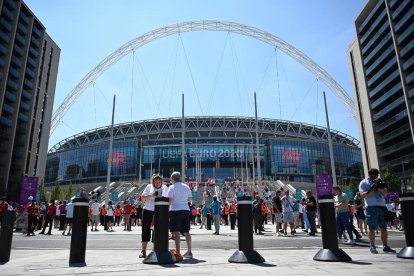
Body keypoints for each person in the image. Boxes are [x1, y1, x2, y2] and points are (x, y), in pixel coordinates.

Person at [359, 168, 396, 254]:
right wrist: (373, 188)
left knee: (384, 227)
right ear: (369, 174)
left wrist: (380, 188)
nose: (375, 177)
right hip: (371, 207)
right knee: (371, 228)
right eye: (373, 175)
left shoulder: (380, 182)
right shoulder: (363, 182)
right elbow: (363, 196)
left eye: (376, 175)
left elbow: (386, 194)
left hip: (382, 207)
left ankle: (385, 246)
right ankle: (372, 246)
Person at [165, 171, 193, 258]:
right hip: (185, 209)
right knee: (186, 231)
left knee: (176, 231)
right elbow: (189, 200)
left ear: (172, 179)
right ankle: (189, 251)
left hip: (175, 209)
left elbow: (169, 200)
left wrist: (166, 211)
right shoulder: (186, 186)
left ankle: (178, 252)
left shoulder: (172, 187)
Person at [139, 174, 166, 258]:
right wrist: (152, 195)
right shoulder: (149, 187)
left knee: (158, 231)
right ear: (153, 182)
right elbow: (142, 198)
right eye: (156, 182)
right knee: (145, 230)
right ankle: (143, 250)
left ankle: (156, 249)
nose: (158, 183)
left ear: (162, 182)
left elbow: (169, 198)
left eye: (159, 182)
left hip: (159, 211)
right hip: (148, 210)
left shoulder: (165, 187)